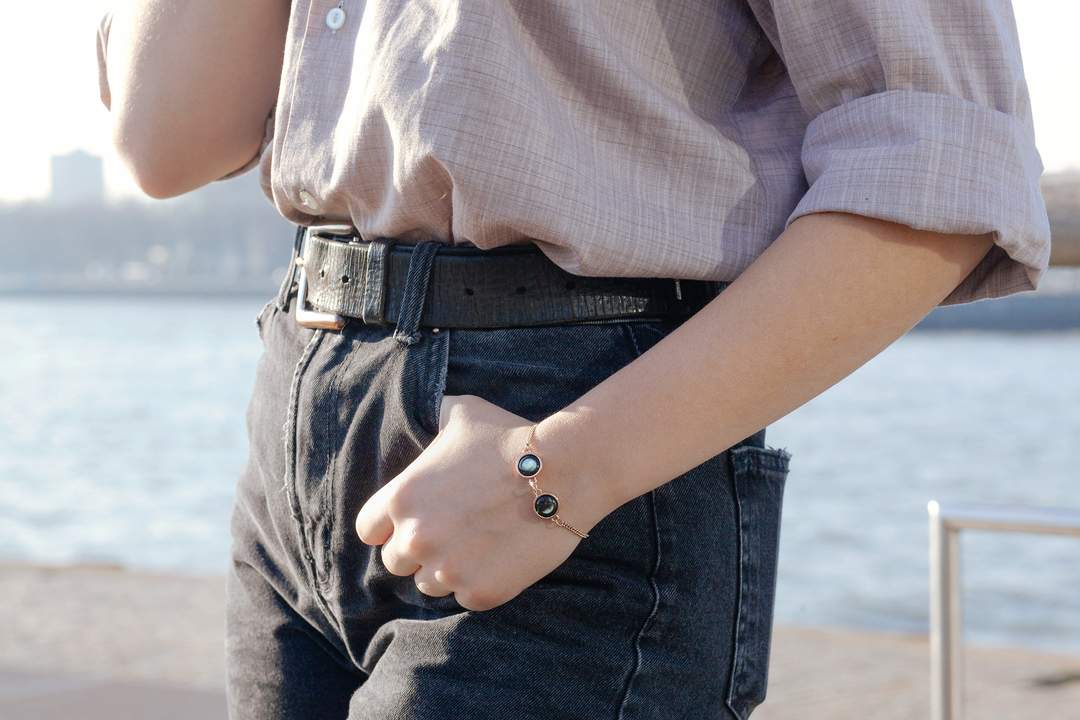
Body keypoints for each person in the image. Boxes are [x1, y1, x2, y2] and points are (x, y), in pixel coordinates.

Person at [95, 1, 1050, 718]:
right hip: (305, 414)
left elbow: (942, 160)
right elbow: (166, 139)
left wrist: (555, 475)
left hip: (562, 435)